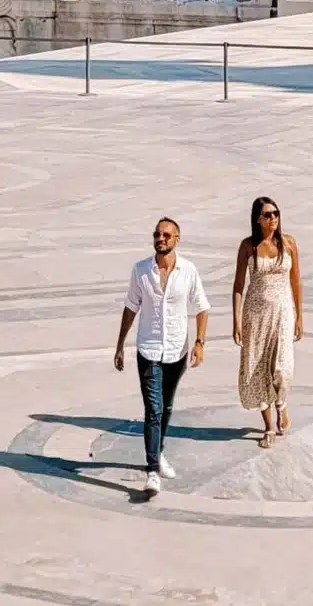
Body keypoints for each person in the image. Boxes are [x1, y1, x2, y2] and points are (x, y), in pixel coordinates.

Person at [114, 215, 209, 497]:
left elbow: (202, 307)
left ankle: (159, 450)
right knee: (153, 410)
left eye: (167, 235)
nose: (161, 239)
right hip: (150, 350)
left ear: (177, 239)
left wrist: (200, 342)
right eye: (157, 234)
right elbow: (131, 307)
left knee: (166, 407)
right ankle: (152, 469)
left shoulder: (188, 271)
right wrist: (120, 343)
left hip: (177, 351)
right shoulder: (141, 271)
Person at [231, 195, 302, 446]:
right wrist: (236, 321)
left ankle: (281, 404)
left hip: (283, 313)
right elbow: (239, 285)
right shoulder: (248, 246)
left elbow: (296, 282)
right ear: (258, 219)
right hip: (256, 314)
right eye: (267, 215)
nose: (273, 218)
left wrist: (299, 316)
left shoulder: (289, 243)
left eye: (275, 213)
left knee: (283, 367)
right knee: (259, 367)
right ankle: (269, 427)